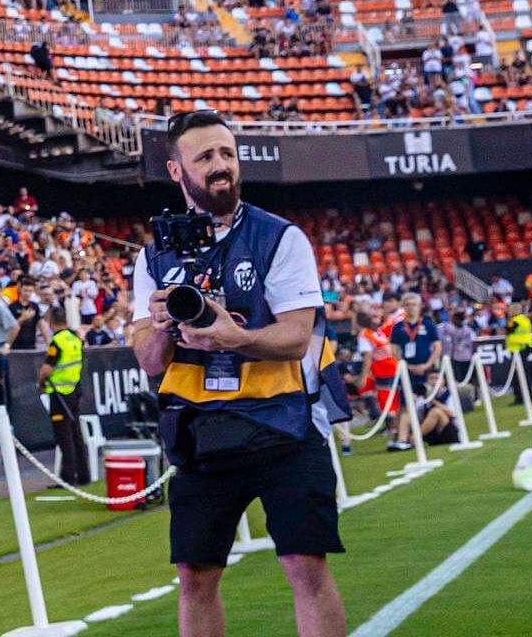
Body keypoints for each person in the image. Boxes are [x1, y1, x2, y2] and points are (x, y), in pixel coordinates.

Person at [131, 110, 345, 637]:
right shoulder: (153, 256)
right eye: (205, 156)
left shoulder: (280, 237)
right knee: (195, 575)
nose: (221, 165)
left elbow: (297, 337)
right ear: (177, 170)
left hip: (285, 426)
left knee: (305, 566)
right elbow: (150, 361)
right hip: (202, 431)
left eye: (227, 154)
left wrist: (237, 338)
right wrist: (161, 324)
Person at [40, 318, 89, 485]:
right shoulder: (75, 339)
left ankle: (68, 477)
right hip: (75, 388)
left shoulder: (58, 341)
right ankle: (84, 475)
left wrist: (41, 383)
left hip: (60, 392)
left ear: (52, 323)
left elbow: (47, 369)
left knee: (64, 436)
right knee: (76, 434)